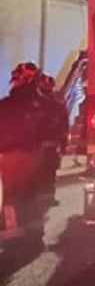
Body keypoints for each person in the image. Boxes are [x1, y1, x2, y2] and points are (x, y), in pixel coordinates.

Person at [0, 62, 46, 231]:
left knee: (12, 196)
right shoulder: (41, 104)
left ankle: (13, 229)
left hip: (11, 155)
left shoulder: (6, 104)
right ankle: (30, 226)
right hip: (30, 153)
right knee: (30, 192)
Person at [35, 74, 68, 202]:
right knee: (48, 172)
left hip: (42, 146)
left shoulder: (37, 105)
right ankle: (46, 195)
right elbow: (64, 127)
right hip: (46, 146)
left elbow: (64, 127)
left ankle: (45, 195)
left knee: (46, 172)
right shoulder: (57, 106)